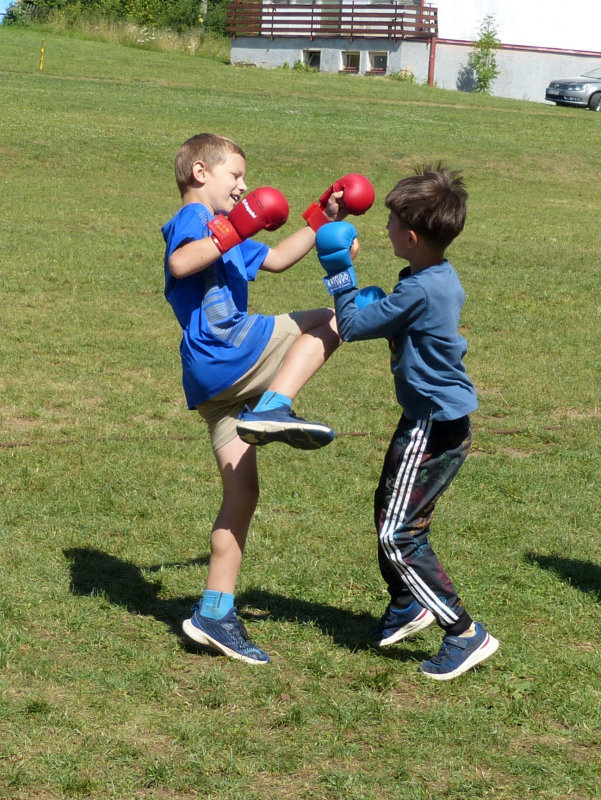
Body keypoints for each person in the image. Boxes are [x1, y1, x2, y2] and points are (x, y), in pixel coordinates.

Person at [161, 133, 374, 665]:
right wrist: (235, 226)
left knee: (242, 494)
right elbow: (181, 264)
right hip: (228, 348)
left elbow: (277, 259)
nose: (244, 186)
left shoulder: (228, 228)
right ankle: (276, 405)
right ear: (201, 173)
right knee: (333, 319)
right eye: (235, 175)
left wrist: (321, 219)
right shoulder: (194, 217)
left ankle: (214, 612)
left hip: (213, 383)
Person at [315, 164, 499, 680]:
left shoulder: (419, 291)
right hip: (434, 418)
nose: (386, 228)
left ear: (412, 237)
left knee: (399, 533)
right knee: (389, 511)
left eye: (393, 223)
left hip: (432, 425)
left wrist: (339, 269)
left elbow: (352, 325)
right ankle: (406, 604)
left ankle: (464, 632)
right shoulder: (433, 277)